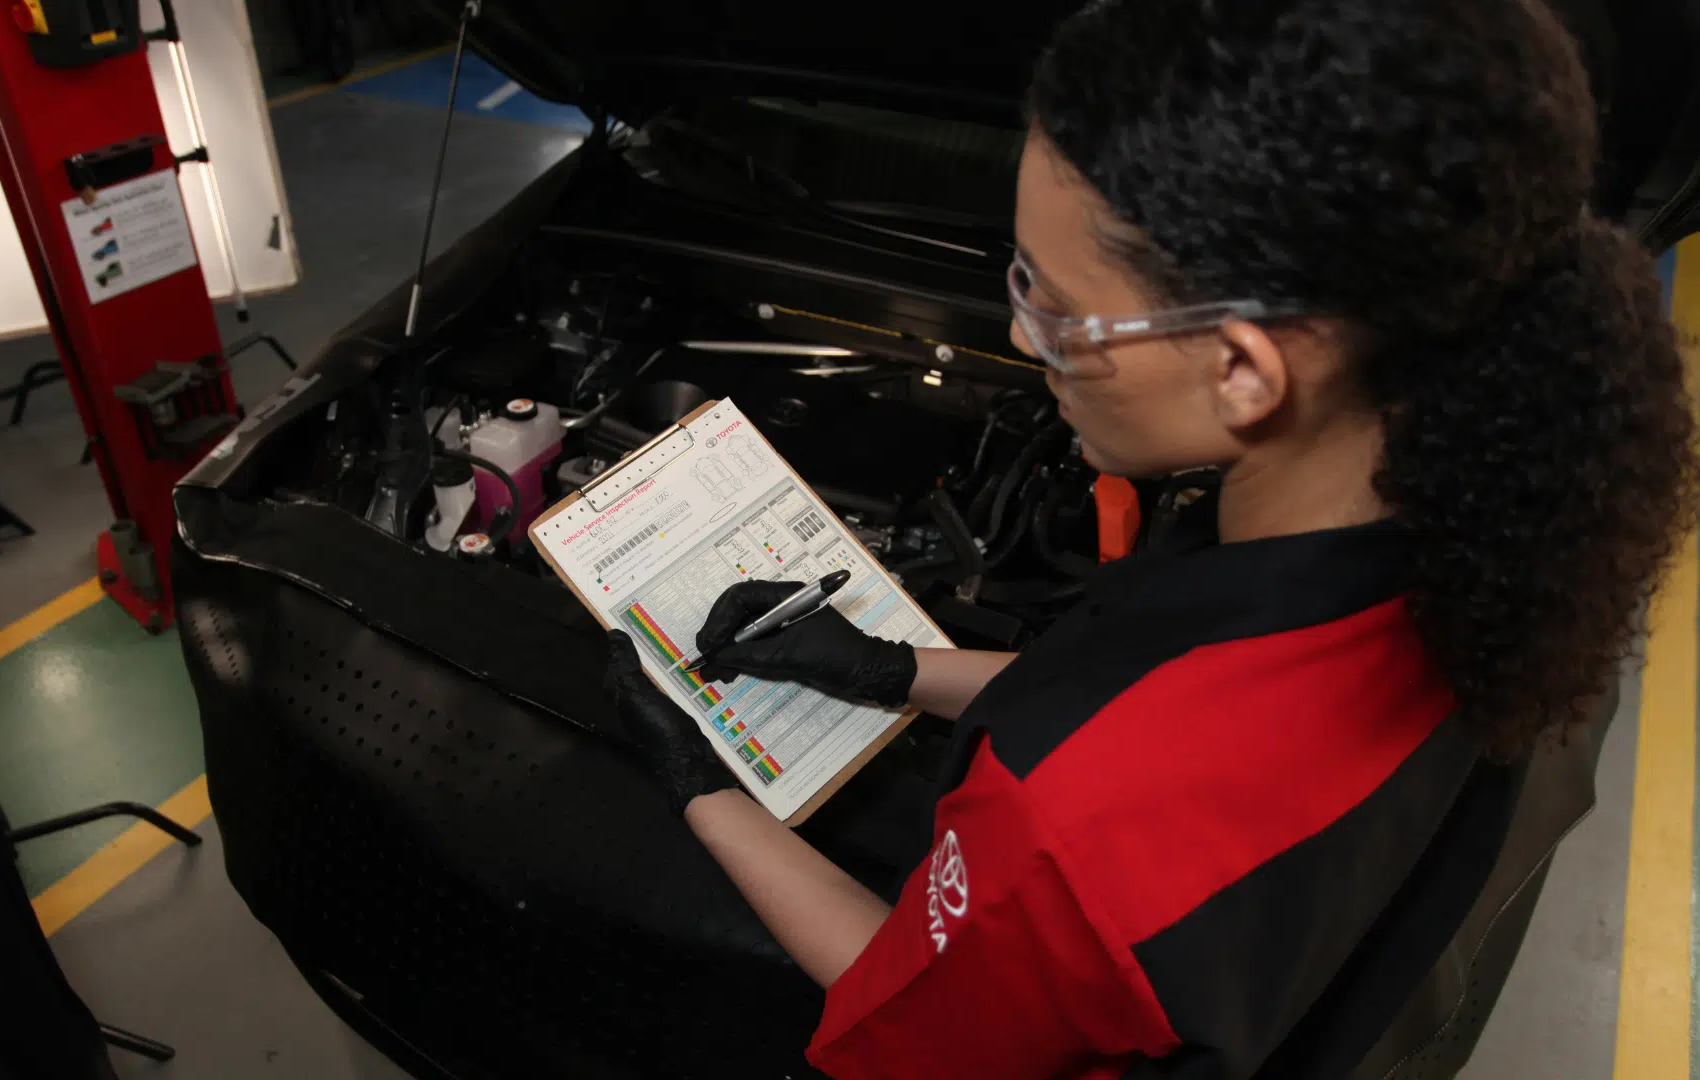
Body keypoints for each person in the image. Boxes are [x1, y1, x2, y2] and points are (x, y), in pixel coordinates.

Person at [604, 1, 1698, 1076]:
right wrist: (895, 670)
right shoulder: (1477, 525)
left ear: (1244, 370)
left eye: (1052, 302)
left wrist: (705, 790)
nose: (1020, 333)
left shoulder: (1073, 829)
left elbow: (907, 1016)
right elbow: (1157, 700)